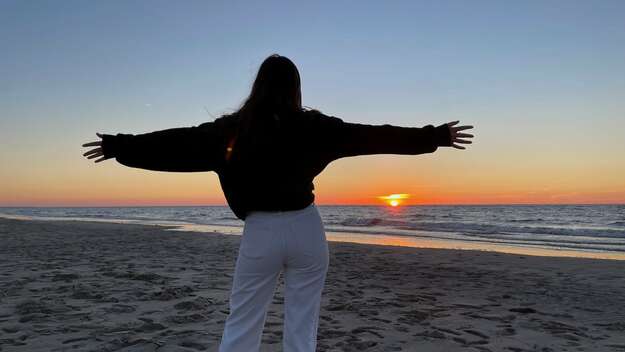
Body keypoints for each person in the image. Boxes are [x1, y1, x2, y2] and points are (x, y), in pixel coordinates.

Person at [82, 54, 474, 352]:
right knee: (302, 323)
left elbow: (175, 144)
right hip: (307, 229)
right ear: (295, 88)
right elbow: (372, 136)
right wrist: (432, 137)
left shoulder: (231, 132)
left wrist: (121, 146)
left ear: (258, 86)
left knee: (243, 322)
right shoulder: (315, 128)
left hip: (261, 233)